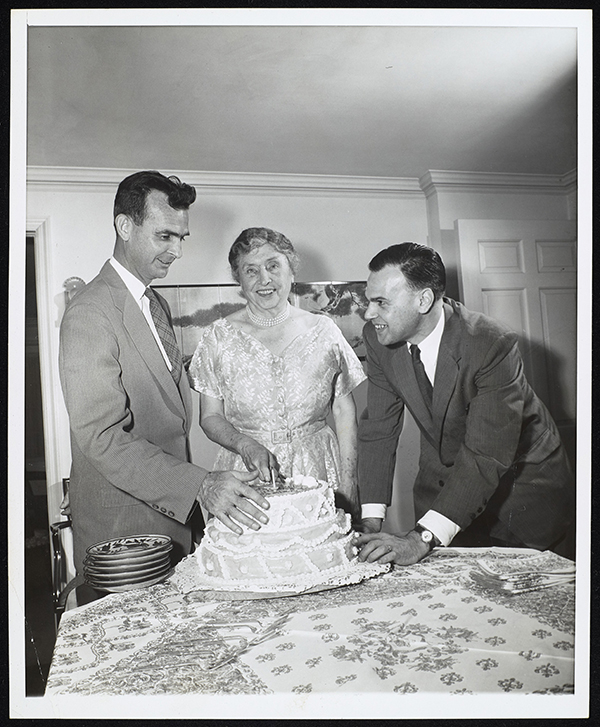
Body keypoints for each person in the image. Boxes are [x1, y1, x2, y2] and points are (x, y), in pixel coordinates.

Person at [59, 171, 271, 583]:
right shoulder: (89, 312)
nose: (176, 251)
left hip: (172, 522)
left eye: (182, 238)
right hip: (123, 533)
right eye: (164, 236)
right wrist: (201, 484)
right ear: (125, 226)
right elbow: (101, 437)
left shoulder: (153, 302)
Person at [355, 242, 574, 566]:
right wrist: (370, 520)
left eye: (381, 302)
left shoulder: (490, 343)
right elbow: (378, 429)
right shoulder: (377, 338)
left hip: (522, 492)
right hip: (443, 490)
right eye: (368, 301)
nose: (369, 313)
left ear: (424, 300)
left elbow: (487, 453)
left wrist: (422, 537)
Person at [188, 227, 366, 520]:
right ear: (239, 280)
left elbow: (344, 409)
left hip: (319, 469)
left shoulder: (324, 331)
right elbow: (210, 418)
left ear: (291, 272)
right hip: (247, 475)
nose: (264, 279)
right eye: (251, 270)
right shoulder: (217, 337)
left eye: (273, 266)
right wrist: (245, 444)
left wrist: (349, 484)